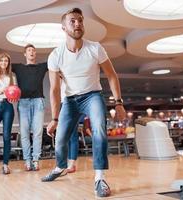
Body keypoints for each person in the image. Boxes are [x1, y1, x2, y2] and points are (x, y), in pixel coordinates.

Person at [41, 8, 126, 197]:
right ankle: (60, 167)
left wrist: (118, 103)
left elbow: (111, 76)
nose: (77, 24)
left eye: (80, 20)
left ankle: (100, 178)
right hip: (70, 100)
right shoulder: (55, 55)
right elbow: (54, 89)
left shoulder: (95, 48)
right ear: (63, 27)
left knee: (99, 130)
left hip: (92, 96)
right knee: (61, 139)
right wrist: (54, 118)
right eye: (72, 21)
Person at [0, 41, 48, 171]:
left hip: (38, 102)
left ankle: (35, 160)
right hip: (23, 103)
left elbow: (56, 60)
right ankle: (27, 161)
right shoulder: (18, 68)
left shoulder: (42, 67)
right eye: (29, 50)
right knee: (24, 133)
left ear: (35, 53)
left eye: (33, 50)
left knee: (37, 133)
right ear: (25, 54)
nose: (32, 52)